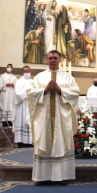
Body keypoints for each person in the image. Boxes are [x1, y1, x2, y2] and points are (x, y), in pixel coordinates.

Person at [27, 50, 80, 186]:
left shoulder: (68, 77)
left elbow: (75, 93)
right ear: (46, 60)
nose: (52, 60)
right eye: (50, 58)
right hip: (43, 118)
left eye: (55, 58)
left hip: (61, 118)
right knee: (44, 141)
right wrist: (43, 91)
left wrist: (60, 90)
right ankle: (41, 177)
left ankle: (61, 177)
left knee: (60, 142)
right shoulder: (39, 77)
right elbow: (31, 94)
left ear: (60, 60)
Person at [12, 66, 33, 148]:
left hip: (30, 105)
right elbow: (18, 94)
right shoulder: (19, 81)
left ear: (30, 71)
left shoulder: (33, 81)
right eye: (25, 71)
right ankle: (20, 141)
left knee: (29, 122)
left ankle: (28, 141)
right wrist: (27, 90)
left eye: (28, 71)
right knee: (22, 121)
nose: (27, 73)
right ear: (22, 72)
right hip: (22, 105)